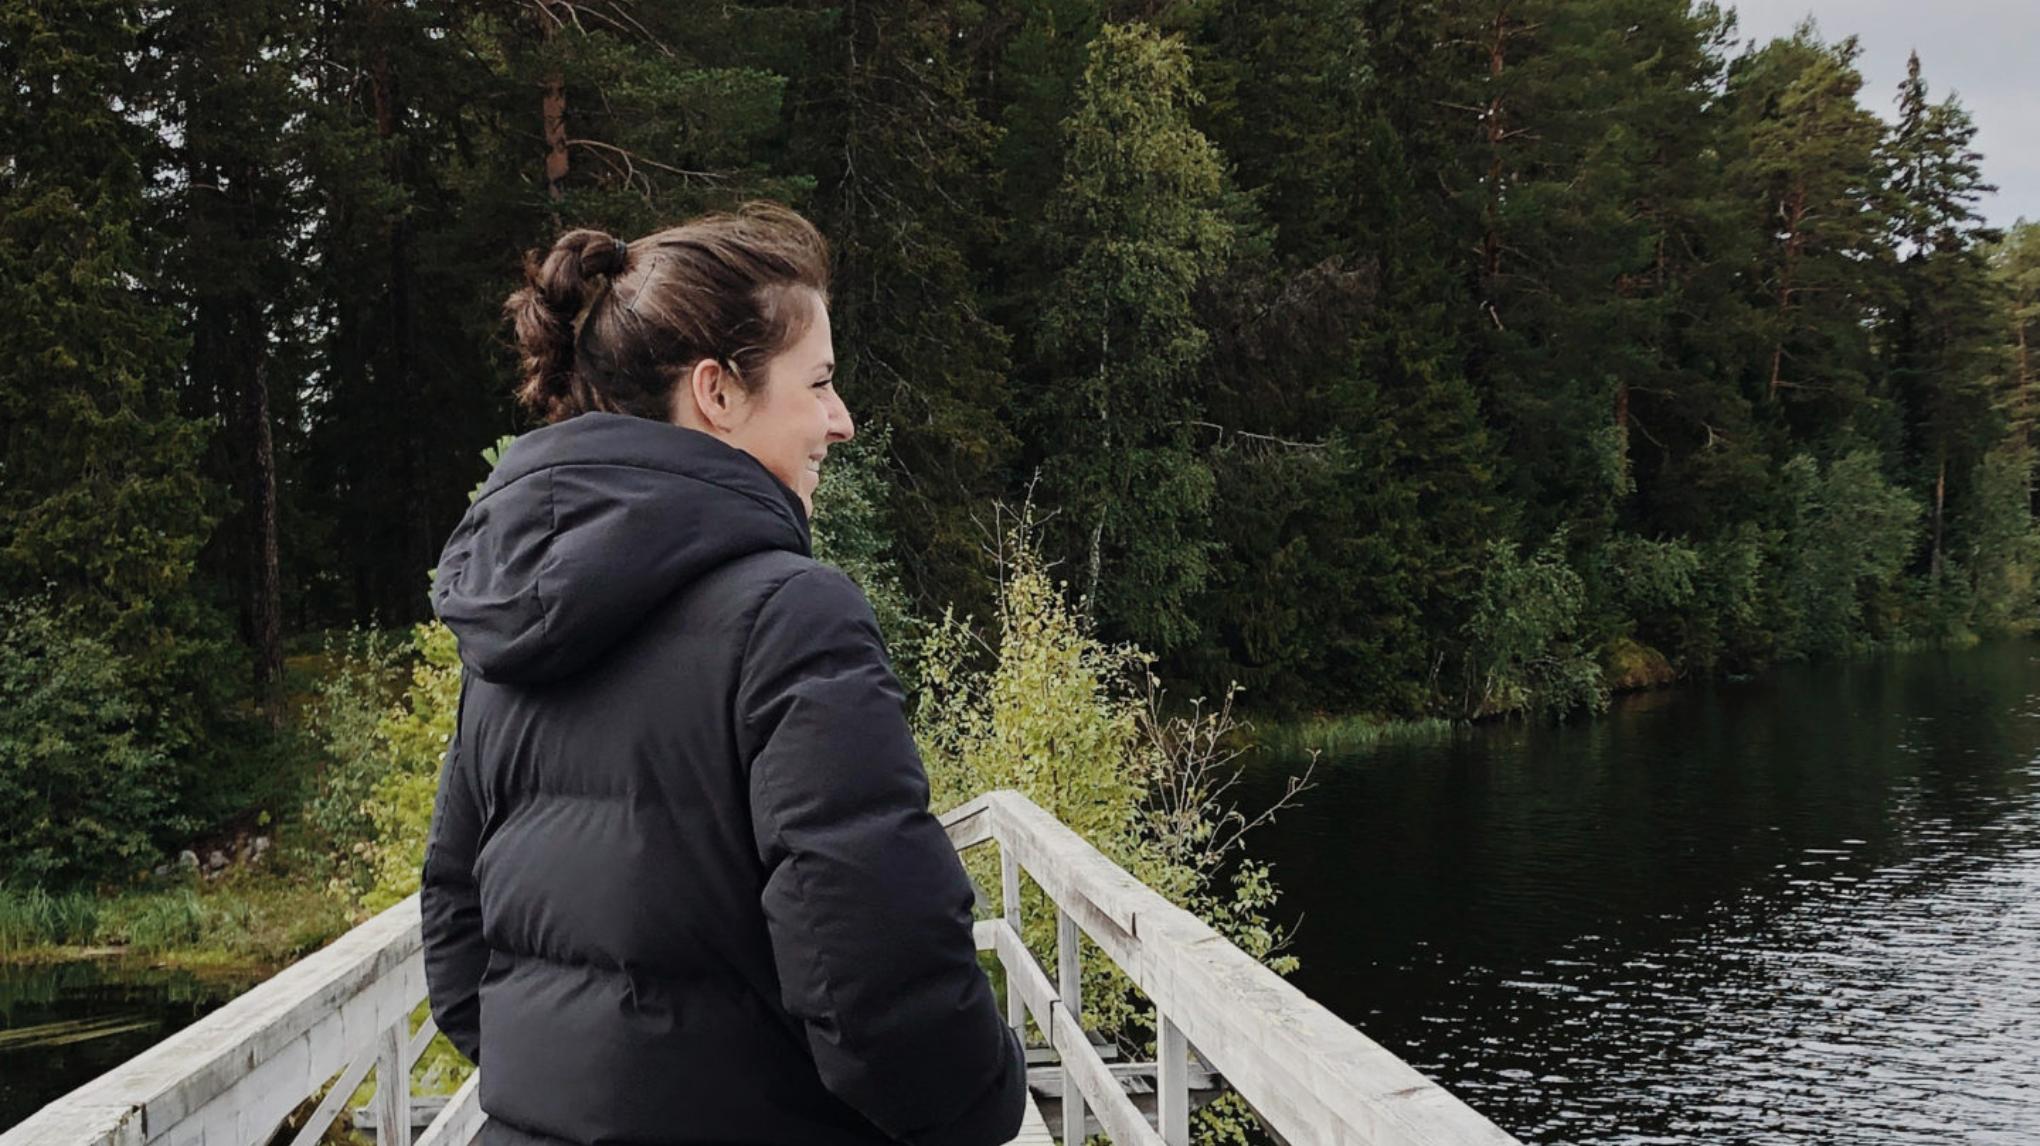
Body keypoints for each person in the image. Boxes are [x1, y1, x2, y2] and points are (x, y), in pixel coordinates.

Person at [420, 201, 1027, 1146]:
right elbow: (879, 978)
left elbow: (460, 952)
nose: (843, 420)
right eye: (819, 382)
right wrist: (983, 1106)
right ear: (717, 392)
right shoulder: (794, 617)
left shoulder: (506, 629)